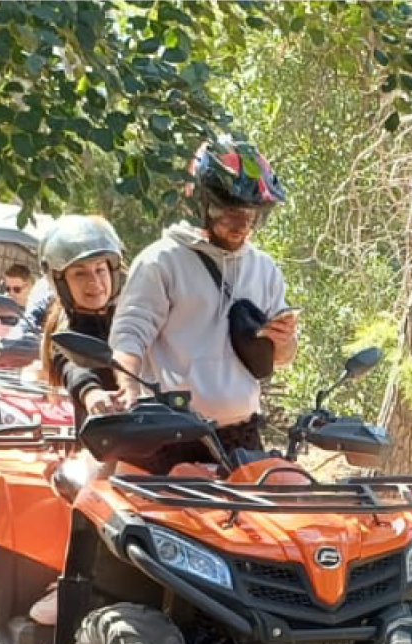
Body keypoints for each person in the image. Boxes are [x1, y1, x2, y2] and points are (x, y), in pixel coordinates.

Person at [107, 134, 298, 459]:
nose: (240, 226)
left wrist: (283, 341)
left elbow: (283, 357)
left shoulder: (265, 270)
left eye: (250, 216)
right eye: (228, 213)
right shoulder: (162, 261)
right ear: (203, 206)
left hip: (243, 437)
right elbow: (129, 336)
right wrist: (129, 392)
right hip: (171, 434)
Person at [31, 214, 125, 423]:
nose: (95, 282)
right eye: (80, 274)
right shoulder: (65, 334)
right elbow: (73, 368)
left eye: (100, 269)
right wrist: (92, 393)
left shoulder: (134, 318)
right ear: (60, 282)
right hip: (109, 446)